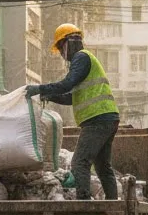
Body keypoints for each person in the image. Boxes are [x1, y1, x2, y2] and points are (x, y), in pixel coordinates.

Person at [25, 23, 120, 200]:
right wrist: (48, 95)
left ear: (69, 42)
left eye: (61, 48)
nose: (61, 53)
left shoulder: (81, 58)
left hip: (97, 119)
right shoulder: (84, 61)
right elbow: (71, 97)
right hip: (107, 118)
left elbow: (67, 84)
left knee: (79, 163)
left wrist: (40, 89)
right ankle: (114, 205)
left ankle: (83, 207)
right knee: (102, 167)